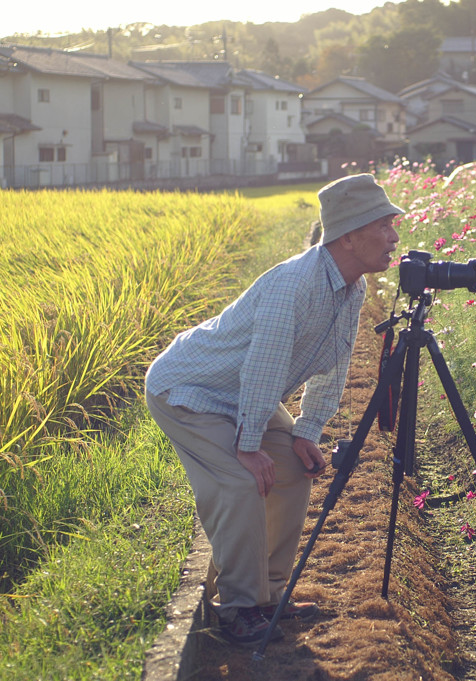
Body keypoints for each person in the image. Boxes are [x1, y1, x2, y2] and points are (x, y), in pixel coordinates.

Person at [145, 173, 402, 645]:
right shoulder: (293, 285)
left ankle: (269, 596)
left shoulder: (352, 287)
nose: (395, 236)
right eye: (384, 225)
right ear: (350, 234)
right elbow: (264, 369)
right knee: (242, 483)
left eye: (394, 224)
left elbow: (334, 364)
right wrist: (247, 446)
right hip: (190, 391)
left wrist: (306, 430)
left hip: (241, 394)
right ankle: (238, 607)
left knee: (292, 468)